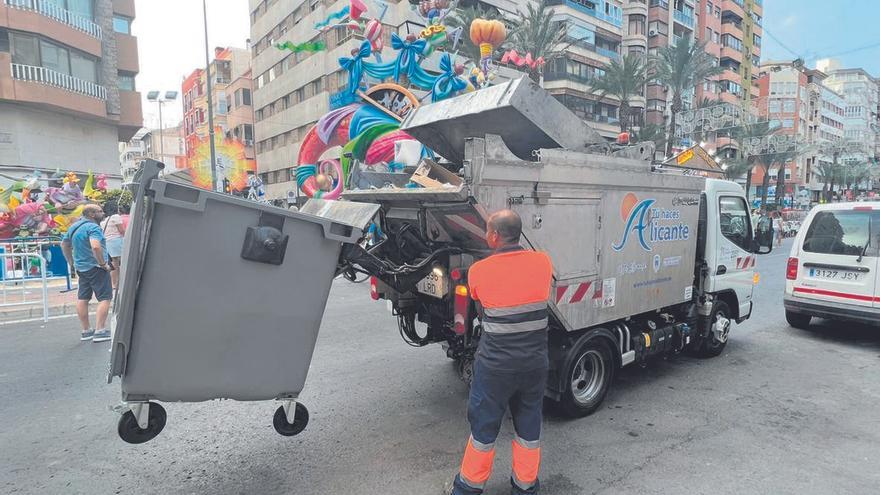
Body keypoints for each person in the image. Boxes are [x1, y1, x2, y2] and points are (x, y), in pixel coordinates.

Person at [446, 209, 554, 495]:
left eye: (487, 231)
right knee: (529, 424)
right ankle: (525, 485)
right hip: (534, 364)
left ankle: (469, 487)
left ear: (494, 236)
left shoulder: (480, 271)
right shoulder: (543, 262)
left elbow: (481, 309)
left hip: (496, 367)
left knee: (484, 428)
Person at [61, 204, 113, 343]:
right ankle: (100, 330)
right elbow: (95, 246)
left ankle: (86, 331)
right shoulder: (93, 227)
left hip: (81, 268)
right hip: (96, 267)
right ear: (91, 214)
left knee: (83, 298)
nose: (103, 213)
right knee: (105, 298)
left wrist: (71, 262)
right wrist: (103, 264)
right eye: (100, 211)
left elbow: (64, 244)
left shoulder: (74, 227)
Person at [101, 201, 127, 290]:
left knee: (113, 264)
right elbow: (122, 231)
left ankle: (114, 283)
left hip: (107, 242)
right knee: (121, 262)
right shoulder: (116, 217)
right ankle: (118, 283)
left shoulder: (104, 220)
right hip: (116, 241)